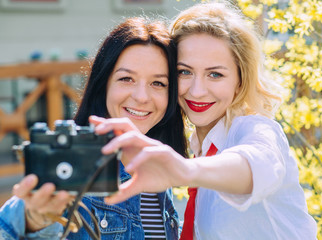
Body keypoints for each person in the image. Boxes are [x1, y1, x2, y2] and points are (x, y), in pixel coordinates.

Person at [92, 1, 318, 240]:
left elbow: (258, 163)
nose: (197, 91)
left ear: (240, 81)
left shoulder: (254, 129)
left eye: (215, 74)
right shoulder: (198, 153)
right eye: (184, 72)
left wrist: (185, 170)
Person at [0, 17, 187, 239]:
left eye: (158, 83)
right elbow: (12, 226)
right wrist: (36, 221)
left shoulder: (157, 165)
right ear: (104, 85)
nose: (142, 97)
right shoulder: (74, 162)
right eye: (126, 79)